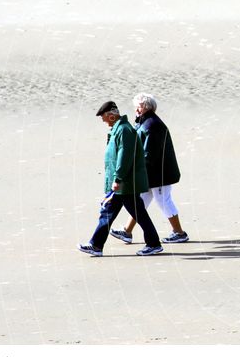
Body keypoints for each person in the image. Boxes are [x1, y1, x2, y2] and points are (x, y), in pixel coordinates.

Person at [78, 101, 164, 256]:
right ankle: (96, 245)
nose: (103, 121)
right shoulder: (117, 130)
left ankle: (153, 244)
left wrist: (117, 179)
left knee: (138, 214)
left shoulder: (124, 130)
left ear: (111, 115)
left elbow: (124, 157)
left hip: (126, 183)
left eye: (104, 117)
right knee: (108, 213)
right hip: (122, 184)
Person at [109, 93, 189, 244]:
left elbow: (148, 154)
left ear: (145, 107)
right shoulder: (146, 122)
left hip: (159, 174)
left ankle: (179, 233)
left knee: (163, 201)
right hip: (152, 173)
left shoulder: (152, 125)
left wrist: (135, 170)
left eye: (138, 106)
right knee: (140, 202)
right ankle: (127, 231)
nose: (136, 110)